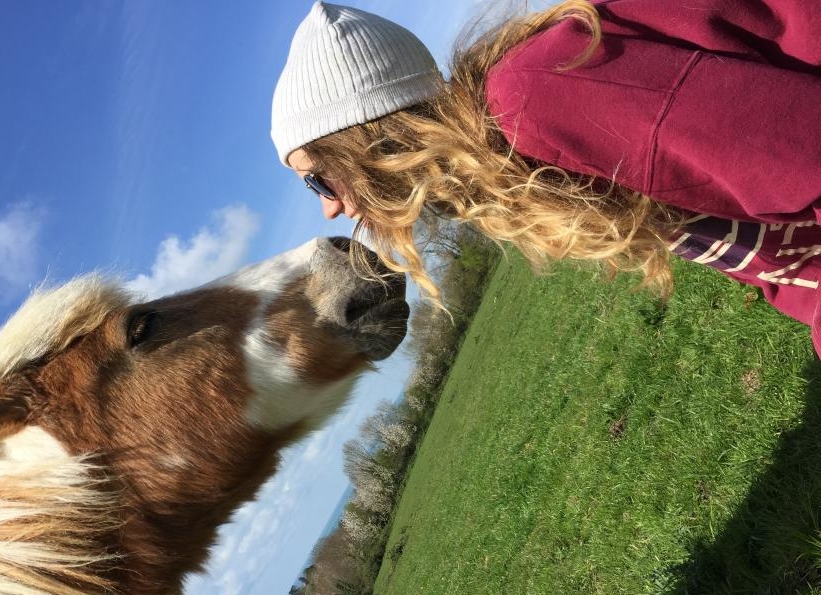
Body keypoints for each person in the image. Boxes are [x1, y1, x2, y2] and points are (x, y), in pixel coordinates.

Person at [271, 1, 821, 354]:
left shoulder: (536, 98)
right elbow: (773, 267)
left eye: (317, 179)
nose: (329, 208)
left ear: (366, 142)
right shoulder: (514, 162)